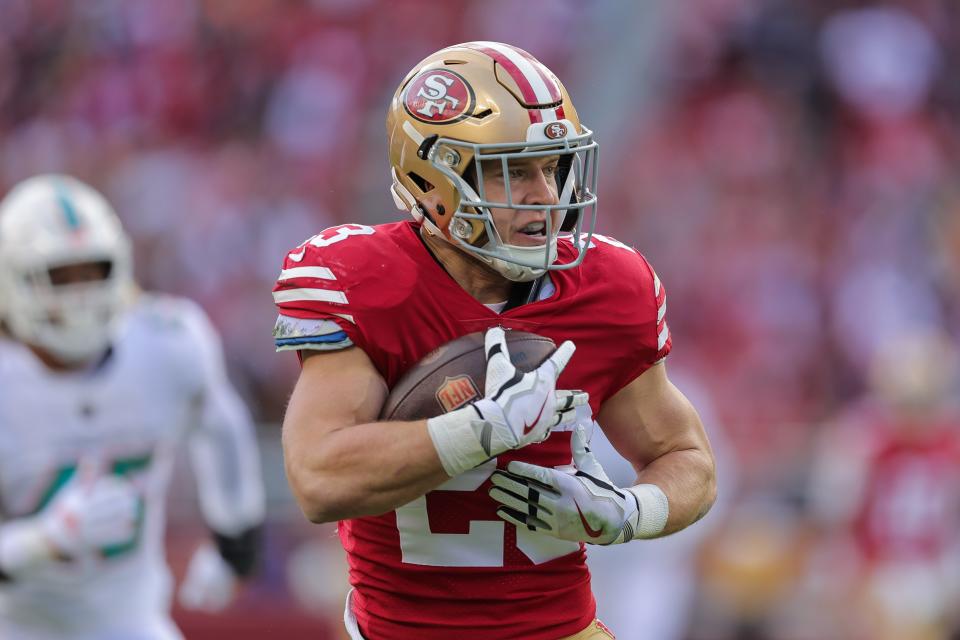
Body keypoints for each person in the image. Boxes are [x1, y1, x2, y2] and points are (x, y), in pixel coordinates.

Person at [274, 41, 716, 640]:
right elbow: (319, 479)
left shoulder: (609, 286)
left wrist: (628, 512)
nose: (545, 196)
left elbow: (688, 460)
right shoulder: (367, 282)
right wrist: (478, 431)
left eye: (553, 166)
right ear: (434, 179)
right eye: (513, 170)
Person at [0, 174, 266, 639]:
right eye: (60, 276)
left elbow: (223, 427)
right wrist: (44, 541)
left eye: (93, 269)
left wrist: (236, 543)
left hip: (132, 622)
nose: (80, 293)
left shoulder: (165, 342)